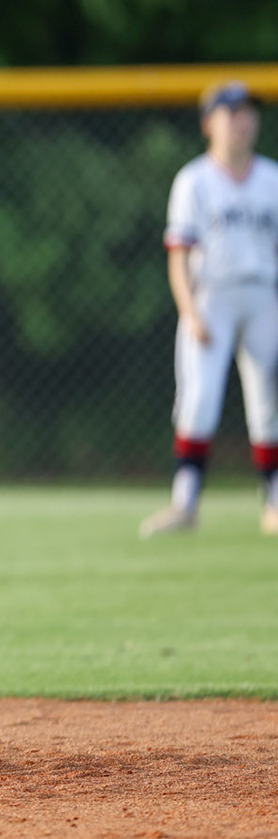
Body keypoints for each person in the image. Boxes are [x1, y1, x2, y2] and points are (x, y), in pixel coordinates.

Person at [140, 79, 278, 538]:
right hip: (211, 296)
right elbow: (178, 254)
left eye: (248, 112)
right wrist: (189, 311)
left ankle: (274, 504)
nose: (243, 120)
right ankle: (185, 504)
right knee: (199, 399)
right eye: (232, 112)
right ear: (209, 123)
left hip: (264, 294)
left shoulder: (272, 179)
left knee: (269, 401)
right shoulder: (194, 180)